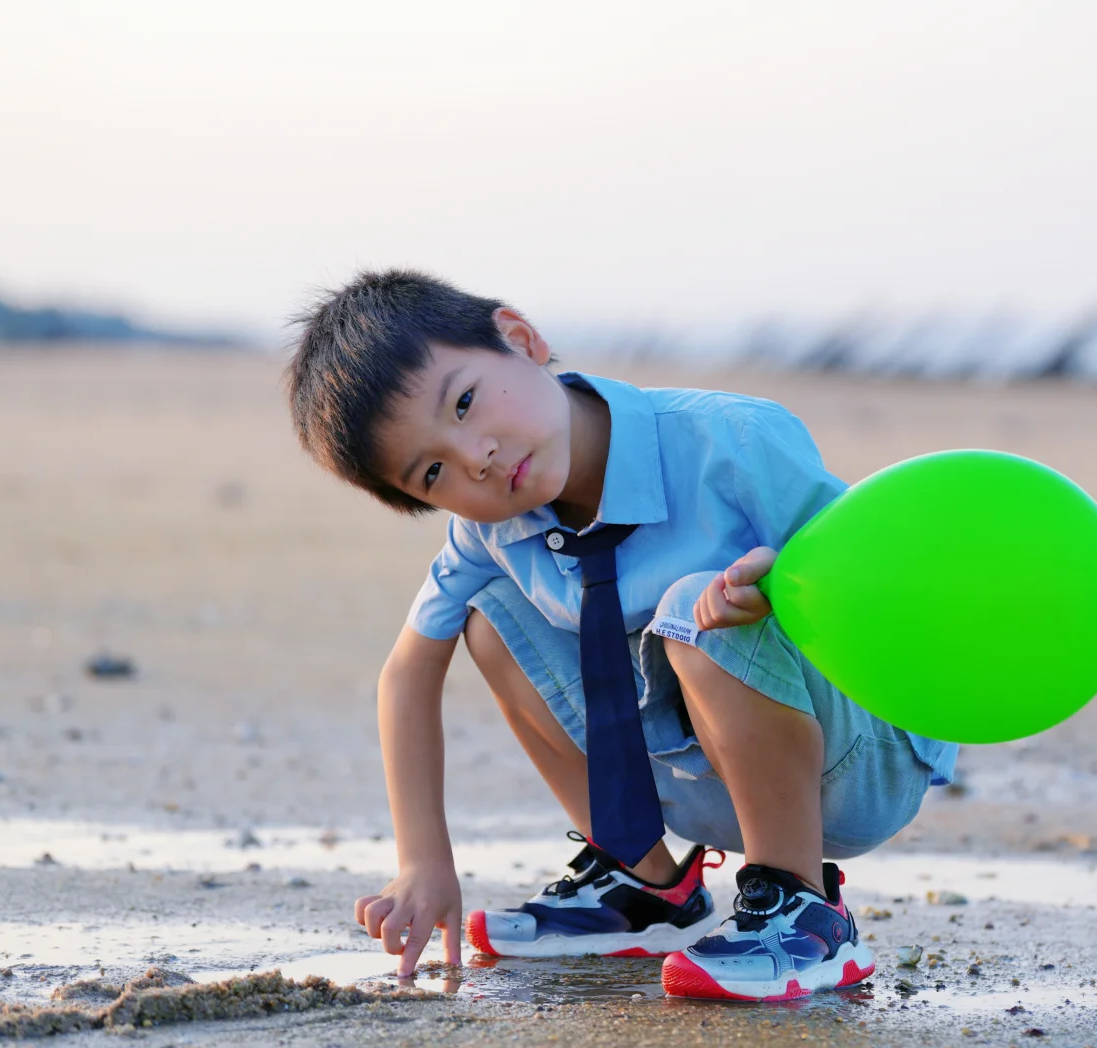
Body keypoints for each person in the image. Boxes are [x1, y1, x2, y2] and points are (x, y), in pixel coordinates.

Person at [286, 269, 957, 1001]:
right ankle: (642, 885)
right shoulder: (491, 532)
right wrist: (423, 861)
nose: (474, 455)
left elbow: (875, 586)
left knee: (690, 603)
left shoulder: (731, 442)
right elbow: (406, 674)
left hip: (857, 760)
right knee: (487, 619)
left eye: (466, 402)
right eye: (434, 469)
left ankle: (801, 909)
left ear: (520, 338)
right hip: (697, 780)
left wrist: (781, 588)